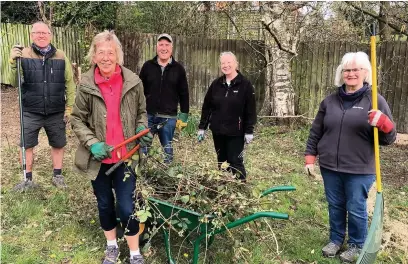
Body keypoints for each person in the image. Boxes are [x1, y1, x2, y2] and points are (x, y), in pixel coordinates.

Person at [304, 52, 396, 262]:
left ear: (365, 73)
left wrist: (384, 123)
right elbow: (316, 132)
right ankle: (336, 239)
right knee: (335, 204)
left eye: (356, 70)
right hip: (330, 166)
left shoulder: (375, 100)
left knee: (355, 208)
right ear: (341, 73)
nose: (351, 74)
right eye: (347, 70)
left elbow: (388, 138)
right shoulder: (329, 101)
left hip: (359, 168)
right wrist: (310, 156)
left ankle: (356, 244)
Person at [70, 30, 152, 264]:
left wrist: (141, 129)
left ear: (118, 55)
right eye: (101, 52)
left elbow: (141, 113)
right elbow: (76, 119)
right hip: (99, 160)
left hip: (126, 157)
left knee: (127, 207)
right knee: (105, 204)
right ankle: (112, 246)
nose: (106, 57)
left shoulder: (133, 82)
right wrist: (93, 143)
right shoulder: (86, 84)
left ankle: (135, 253)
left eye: (111, 52)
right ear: (94, 56)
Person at [9, 21, 76, 190]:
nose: (41, 35)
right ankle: (27, 179)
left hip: (55, 110)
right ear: (31, 35)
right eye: (37, 32)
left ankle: (58, 175)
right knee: (27, 144)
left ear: (50, 35)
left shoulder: (60, 55)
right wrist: (12, 63)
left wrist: (70, 107)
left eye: (44, 32)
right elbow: (13, 82)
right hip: (31, 110)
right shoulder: (22, 54)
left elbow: (69, 82)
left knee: (58, 143)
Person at [197, 51, 257, 180]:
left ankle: (240, 186)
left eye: (229, 62)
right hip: (218, 131)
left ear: (236, 64)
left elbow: (250, 110)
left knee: (235, 162)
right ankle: (224, 190)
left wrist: (249, 131)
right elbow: (207, 107)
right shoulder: (216, 84)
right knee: (222, 162)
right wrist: (202, 127)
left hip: (236, 132)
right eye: (223, 63)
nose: (226, 65)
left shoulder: (245, 85)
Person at [139, 33, 189, 163]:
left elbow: (184, 93)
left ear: (171, 48)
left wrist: (184, 114)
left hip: (168, 118)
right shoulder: (147, 66)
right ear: (156, 47)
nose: (164, 48)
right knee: (143, 148)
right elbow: (139, 91)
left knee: (167, 150)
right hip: (148, 116)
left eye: (167, 45)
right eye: (161, 44)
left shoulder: (179, 69)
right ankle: (142, 173)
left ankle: (168, 174)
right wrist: (138, 112)